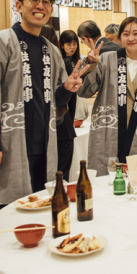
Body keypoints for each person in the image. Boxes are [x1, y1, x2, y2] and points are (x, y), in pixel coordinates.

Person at [0, 0, 87, 221]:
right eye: (34, 0)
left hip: (44, 144)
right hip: (10, 143)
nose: (40, 6)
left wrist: (67, 88)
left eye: (46, 1)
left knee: (40, 209)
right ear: (19, 6)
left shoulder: (51, 50)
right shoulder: (0, 42)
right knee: (8, 213)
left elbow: (55, 101)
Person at [78, 17, 137, 173]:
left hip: (136, 136)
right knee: (103, 179)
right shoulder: (105, 59)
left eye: (136, 33)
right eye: (126, 34)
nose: (131, 38)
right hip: (106, 133)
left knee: (133, 179)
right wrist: (91, 65)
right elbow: (85, 91)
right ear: (120, 38)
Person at [56, 30, 83, 180]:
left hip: (63, 123)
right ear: (61, 45)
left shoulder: (73, 62)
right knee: (61, 171)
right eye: (68, 44)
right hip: (63, 123)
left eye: (74, 43)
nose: (72, 47)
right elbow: (70, 99)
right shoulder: (64, 63)